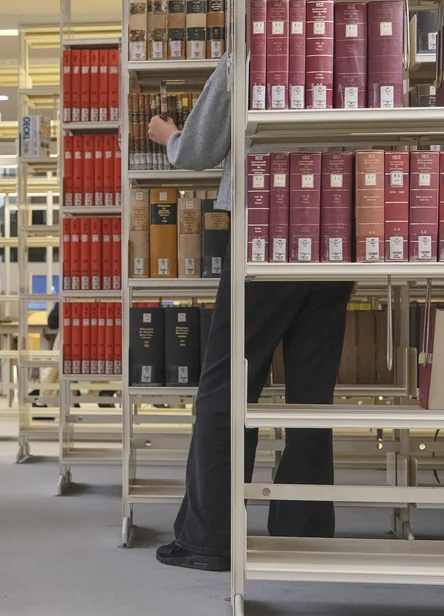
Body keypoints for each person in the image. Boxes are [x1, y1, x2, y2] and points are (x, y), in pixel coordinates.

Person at [149, 55, 355, 572]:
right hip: (339, 225)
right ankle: (305, 532)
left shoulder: (253, 47)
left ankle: (211, 537)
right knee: (312, 392)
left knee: (227, 384)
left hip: (266, 227)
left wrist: (169, 136)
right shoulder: (350, 43)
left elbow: (197, 150)